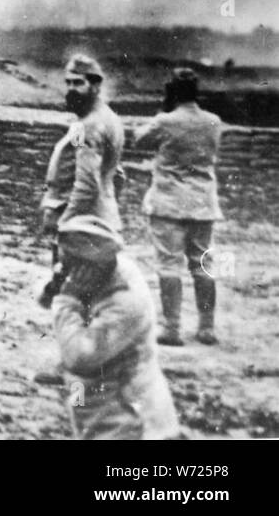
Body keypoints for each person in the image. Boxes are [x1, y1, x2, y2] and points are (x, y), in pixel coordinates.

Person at [52, 215, 181, 440]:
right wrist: (57, 284)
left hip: (132, 421)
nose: (67, 273)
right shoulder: (106, 268)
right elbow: (46, 297)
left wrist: (66, 300)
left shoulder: (125, 303)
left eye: (71, 266)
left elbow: (78, 357)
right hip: (97, 403)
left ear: (87, 266)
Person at [134, 68, 224, 346]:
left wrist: (164, 111)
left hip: (169, 203)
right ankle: (206, 327)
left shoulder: (164, 120)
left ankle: (172, 328)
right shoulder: (213, 121)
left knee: (169, 265)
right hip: (202, 203)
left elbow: (139, 140)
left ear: (171, 91)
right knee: (203, 266)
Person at [38, 54, 125, 306]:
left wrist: (66, 222)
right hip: (98, 215)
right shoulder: (101, 119)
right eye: (68, 83)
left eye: (78, 83)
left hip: (80, 221)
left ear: (95, 86)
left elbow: (86, 184)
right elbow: (117, 174)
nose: (71, 89)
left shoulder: (90, 126)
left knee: (76, 298)